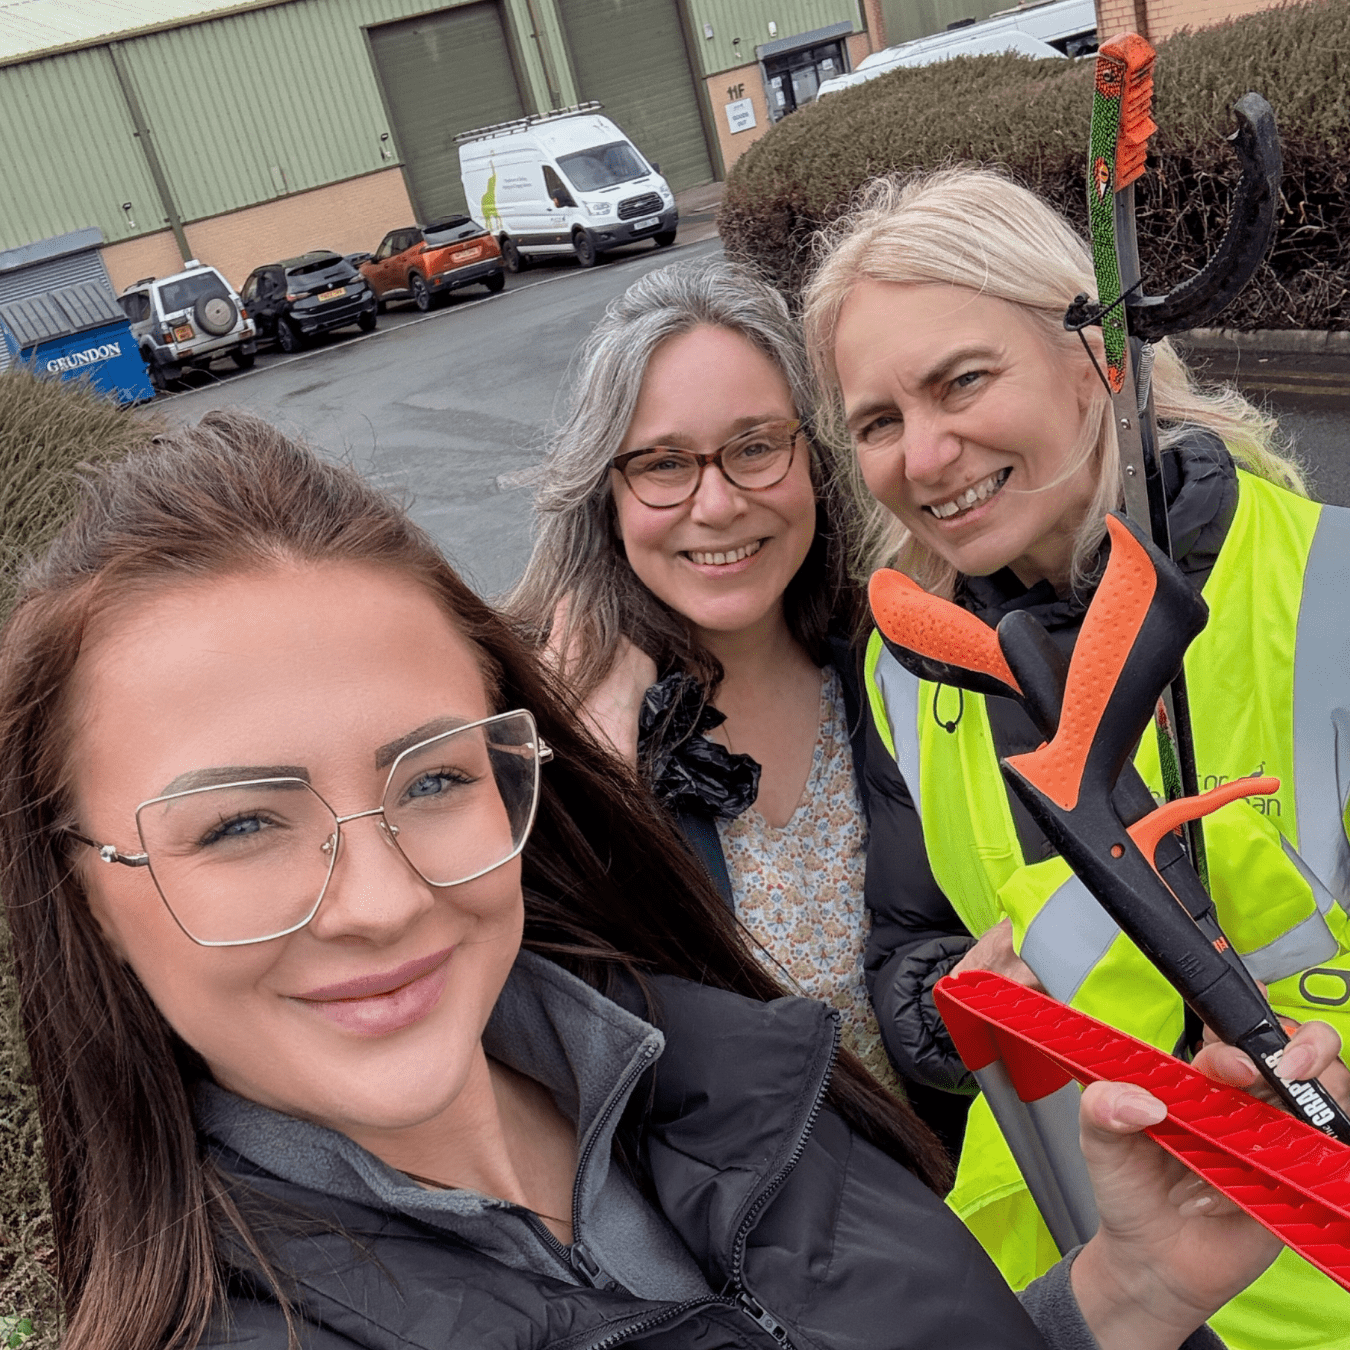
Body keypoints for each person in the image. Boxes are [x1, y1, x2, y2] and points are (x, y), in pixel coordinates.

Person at [0, 408, 1328, 1350]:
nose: (383, 897)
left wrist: (1123, 1295)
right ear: (84, 893)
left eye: (434, 779)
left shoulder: (720, 1058)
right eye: (238, 825)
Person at [801, 167, 1350, 1349]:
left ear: (1094, 353)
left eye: (962, 380)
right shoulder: (905, 674)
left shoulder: (1334, 594)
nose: (927, 454)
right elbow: (910, 945)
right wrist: (953, 1011)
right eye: (879, 422)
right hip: (1096, 1300)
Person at [508, 259, 945, 1126]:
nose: (716, 504)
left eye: (754, 447)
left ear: (814, 460)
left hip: (988, 1216)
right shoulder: (542, 728)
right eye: (664, 464)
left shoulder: (905, 671)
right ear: (609, 492)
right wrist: (595, 765)